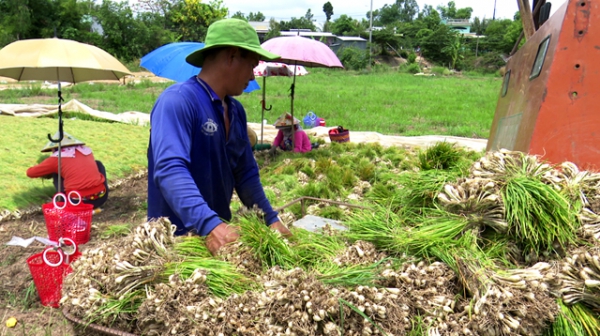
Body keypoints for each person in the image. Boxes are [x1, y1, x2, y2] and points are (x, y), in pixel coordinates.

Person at [147, 18, 292, 255]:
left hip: (218, 243)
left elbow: (244, 173)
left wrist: (271, 219)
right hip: (175, 243)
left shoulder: (235, 111)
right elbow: (170, 170)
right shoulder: (178, 102)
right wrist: (209, 224)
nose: (253, 77)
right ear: (232, 57)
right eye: (251, 66)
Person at [26, 132, 108, 209]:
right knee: (98, 164)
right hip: (100, 197)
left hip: (76, 202)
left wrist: (47, 165)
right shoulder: (86, 151)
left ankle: (62, 200)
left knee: (57, 172)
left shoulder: (56, 158)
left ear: (55, 148)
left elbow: (30, 173)